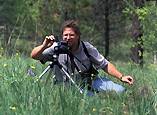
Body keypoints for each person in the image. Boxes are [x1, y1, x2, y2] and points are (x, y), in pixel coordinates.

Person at [31, 20, 134, 95]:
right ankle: (98, 96)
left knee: (120, 91)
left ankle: (102, 95)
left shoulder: (86, 47)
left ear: (78, 35)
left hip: (89, 80)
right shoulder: (56, 48)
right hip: (66, 85)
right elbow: (34, 56)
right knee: (92, 98)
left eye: (71, 35)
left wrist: (121, 77)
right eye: (65, 35)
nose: (68, 38)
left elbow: (104, 64)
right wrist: (44, 46)